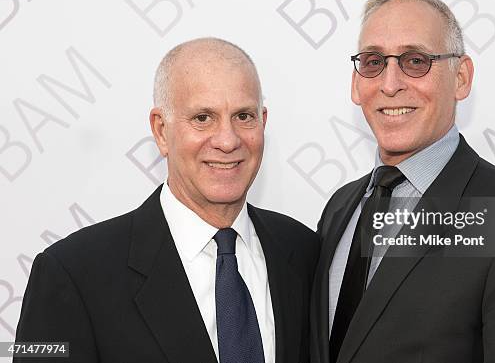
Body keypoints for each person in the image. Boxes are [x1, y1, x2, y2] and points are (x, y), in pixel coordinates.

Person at [310, 0, 495, 363]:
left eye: (415, 61)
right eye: (374, 62)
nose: (390, 84)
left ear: (461, 78)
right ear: (356, 84)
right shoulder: (340, 208)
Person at [14, 38, 319, 363]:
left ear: (263, 122)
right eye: (203, 118)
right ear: (161, 131)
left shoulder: (304, 252)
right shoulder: (72, 274)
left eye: (244, 116)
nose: (228, 140)